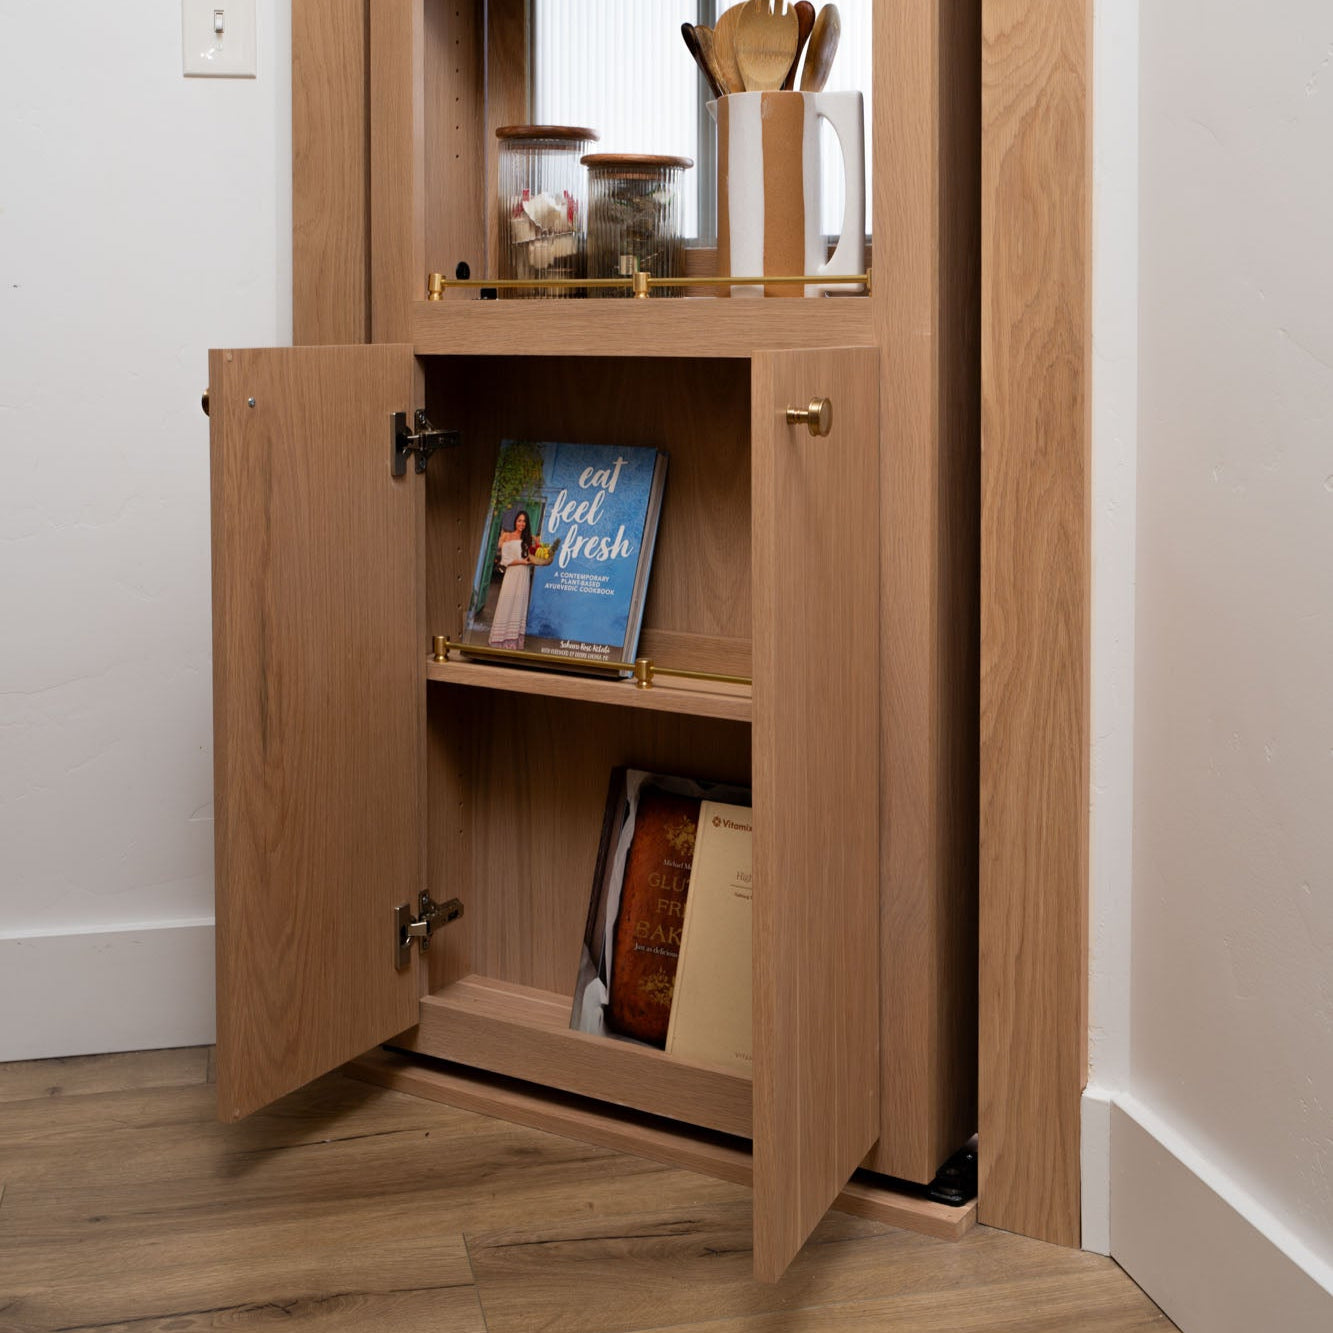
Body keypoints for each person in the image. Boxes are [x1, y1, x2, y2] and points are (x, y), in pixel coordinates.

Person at [489, 509, 536, 649]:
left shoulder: (528, 539)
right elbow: (506, 560)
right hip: (512, 574)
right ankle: (499, 640)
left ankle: (514, 641)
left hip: (523, 575)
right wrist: (523, 562)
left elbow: (531, 558)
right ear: (515, 521)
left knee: (519, 605)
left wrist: (534, 559)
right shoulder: (507, 536)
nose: (521, 523)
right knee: (506, 602)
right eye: (519, 520)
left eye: (524, 521)